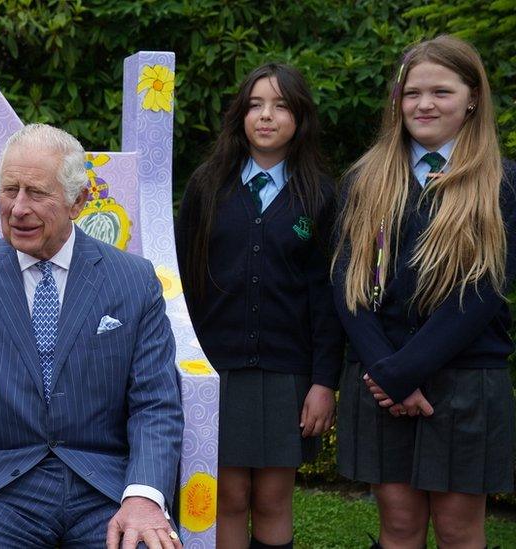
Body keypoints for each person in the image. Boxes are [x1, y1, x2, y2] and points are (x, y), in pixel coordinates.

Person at [0, 123, 184, 548]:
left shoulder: (133, 281)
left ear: (77, 202)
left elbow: (156, 403)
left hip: (105, 485)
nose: (17, 208)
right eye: (9, 190)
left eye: (36, 193)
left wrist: (144, 496)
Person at [333, 35, 516, 548]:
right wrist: (386, 372)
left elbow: (479, 295)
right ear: (398, 99)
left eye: (441, 91)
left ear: (472, 97)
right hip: (382, 376)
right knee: (398, 526)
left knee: (460, 530)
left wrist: (402, 373)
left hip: (463, 382)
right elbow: (346, 283)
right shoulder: (366, 180)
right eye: (413, 93)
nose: (425, 104)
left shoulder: (501, 184)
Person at [175, 64, 343, 549]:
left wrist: (324, 382)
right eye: (255, 105)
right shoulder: (207, 187)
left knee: (272, 497)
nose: (266, 116)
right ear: (240, 115)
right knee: (226, 495)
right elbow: (179, 283)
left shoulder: (322, 196)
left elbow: (329, 300)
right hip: (214, 370)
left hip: (288, 373)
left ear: (301, 118)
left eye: (281, 105)